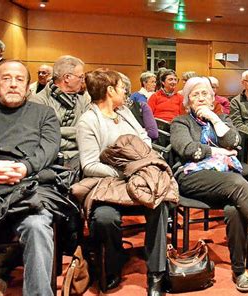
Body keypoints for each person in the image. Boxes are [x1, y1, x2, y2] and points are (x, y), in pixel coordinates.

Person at [171, 77, 248, 292]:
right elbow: (188, 150)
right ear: (188, 100)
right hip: (192, 178)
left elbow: (233, 142)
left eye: (205, 94)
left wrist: (214, 120)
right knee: (237, 181)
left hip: (224, 182)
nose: (200, 98)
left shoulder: (223, 119)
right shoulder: (181, 122)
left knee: (236, 210)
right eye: (195, 94)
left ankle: (239, 271)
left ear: (212, 98)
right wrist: (218, 152)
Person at [76, 69, 170, 294]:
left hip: (138, 178)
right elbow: (89, 165)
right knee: (105, 218)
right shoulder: (88, 121)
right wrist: (125, 174)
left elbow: (145, 137)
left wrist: (139, 167)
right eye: (121, 88)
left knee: (160, 203)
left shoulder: (125, 112)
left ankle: (156, 272)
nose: (125, 92)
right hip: (108, 183)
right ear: (110, 91)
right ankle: (113, 264)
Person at [0, 60, 62, 295]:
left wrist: (24, 167)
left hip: (28, 187)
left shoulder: (44, 114)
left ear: (27, 86)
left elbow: (49, 148)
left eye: (19, 79)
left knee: (37, 227)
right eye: (6, 78)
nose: (13, 84)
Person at [30, 55, 90, 170]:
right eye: (81, 77)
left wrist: (56, 132)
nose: (83, 81)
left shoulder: (84, 101)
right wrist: (78, 137)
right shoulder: (38, 101)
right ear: (67, 77)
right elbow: (40, 139)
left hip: (81, 161)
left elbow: (89, 133)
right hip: (48, 163)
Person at [120, 72, 158, 140]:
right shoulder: (135, 96)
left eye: (155, 82)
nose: (154, 84)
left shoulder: (156, 96)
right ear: (144, 83)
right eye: (152, 82)